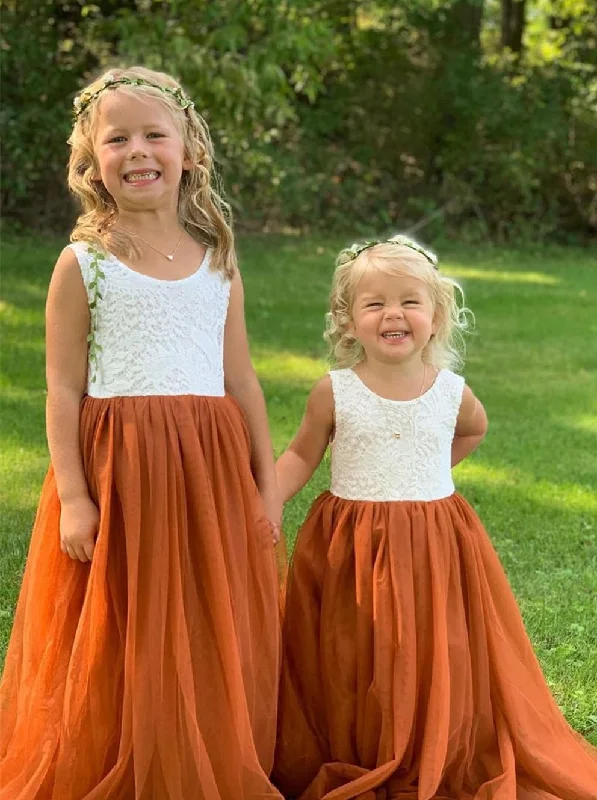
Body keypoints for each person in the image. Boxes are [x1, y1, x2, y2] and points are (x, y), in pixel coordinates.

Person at [0, 66, 284, 799]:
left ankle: (201, 751)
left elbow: (241, 379)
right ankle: (122, 748)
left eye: (154, 135)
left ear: (189, 150)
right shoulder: (84, 263)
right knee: (122, 622)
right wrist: (74, 495)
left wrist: (266, 484)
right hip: (118, 469)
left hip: (207, 468)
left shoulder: (217, 259)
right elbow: (62, 387)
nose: (137, 151)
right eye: (116, 137)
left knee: (200, 613)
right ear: (91, 160)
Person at [272, 235, 597, 800]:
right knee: (354, 647)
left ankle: (430, 737)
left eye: (409, 302)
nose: (392, 314)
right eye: (374, 304)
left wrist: (424, 474)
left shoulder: (450, 392)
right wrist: (268, 498)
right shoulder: (335, 391)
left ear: (436, 316)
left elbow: (474, 429)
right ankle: (361, 741)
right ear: (347, 322)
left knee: (431, 645)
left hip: (433, 542)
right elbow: (303, 452)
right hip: (352, 544)